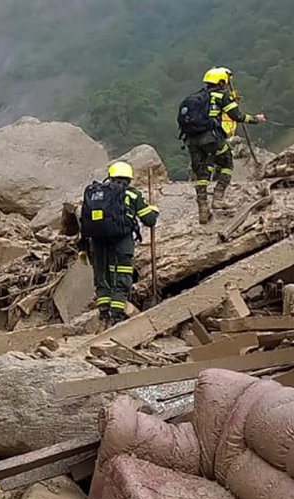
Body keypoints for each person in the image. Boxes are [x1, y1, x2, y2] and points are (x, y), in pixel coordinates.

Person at [178, 67, 266, 224]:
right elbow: (237, 116)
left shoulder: (197, 96)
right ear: (221, 82)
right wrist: (256, 119)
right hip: (211, 138)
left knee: (202, 173)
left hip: (192, 140)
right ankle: (218, 198)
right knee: (227, 163)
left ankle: (203, 210)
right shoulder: (223, 95)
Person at [77, 161, 159, 326]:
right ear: (129, 178)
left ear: (111, 176)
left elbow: (84, 222)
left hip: (97, 242)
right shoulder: (133, 195)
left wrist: (83, 249)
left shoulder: (96, 194)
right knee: (121, 276)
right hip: (122, 242)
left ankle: (103, 313)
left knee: (102, 276)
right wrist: (154, 209)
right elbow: (149, 220)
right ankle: (116, 315)